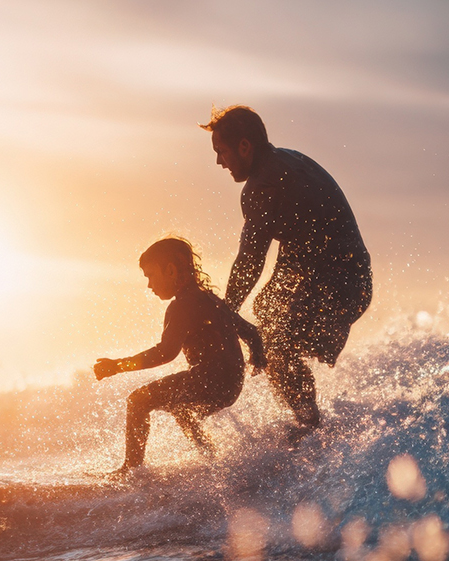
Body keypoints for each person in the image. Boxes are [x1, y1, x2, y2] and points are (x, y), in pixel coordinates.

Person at [202, 105, 372, 444]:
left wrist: (224, 312)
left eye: (222, 151)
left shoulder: (262, 185)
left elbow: (250, 259)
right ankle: (308, 418)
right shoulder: (291, 160)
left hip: (338, 284)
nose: (219, 162)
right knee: (267, 309)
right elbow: (300, 247)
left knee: (275, 343)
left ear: (244, 146)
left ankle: (310, 430)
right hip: (353, 279)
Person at [94, 237, 266, 479]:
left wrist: (117, 366)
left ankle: (130, 472)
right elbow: (252, 333)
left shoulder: (181, 306)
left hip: (208, 380)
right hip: (231, 386)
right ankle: (212, 459)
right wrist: (258, 358)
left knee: (137, 401)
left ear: (171, 270)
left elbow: (166, 352)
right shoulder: (212, 300)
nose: (149, 285)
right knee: (179, 408)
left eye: (151, 275)